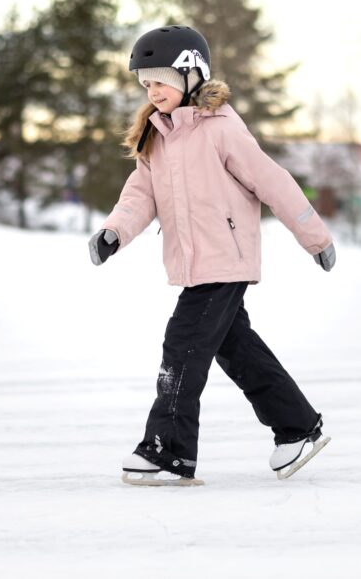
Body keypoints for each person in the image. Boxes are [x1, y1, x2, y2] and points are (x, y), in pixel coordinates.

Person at [89, 25, 336, 486]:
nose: (153, 91)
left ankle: (168, 450)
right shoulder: (156, 136)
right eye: (146, 83)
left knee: (182, 347)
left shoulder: (222, 129)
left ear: (191, 74)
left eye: (161, 80)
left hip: (225, 258)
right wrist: (114, 232)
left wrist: (315, 238)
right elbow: (139, 195)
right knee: (236, 348)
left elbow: (273, 181)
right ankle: (298, 428)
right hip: (193, 263)